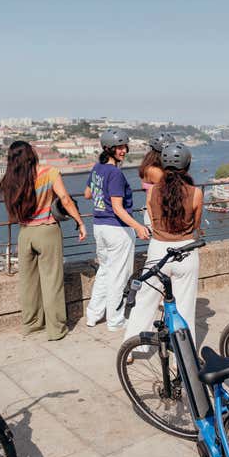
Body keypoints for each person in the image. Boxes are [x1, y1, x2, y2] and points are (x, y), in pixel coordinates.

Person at [0, 141, 86, 341]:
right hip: (47, 231)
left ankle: (31, 324)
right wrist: (80, 222)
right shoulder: (49, 172)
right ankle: (55, 329)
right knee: (52, 281)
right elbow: (65, 200)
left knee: (28, 283)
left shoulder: (12, 179)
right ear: (30, 153)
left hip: (25, 233)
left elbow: (12, 211)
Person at [124, 143, 203, 353]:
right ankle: (183, 355)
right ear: (187, 165)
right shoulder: (195, 193)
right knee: (185, 307)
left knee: (145, 300)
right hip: (185, 250)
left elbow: (152, 219)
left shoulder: (153, 193)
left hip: (158, 250)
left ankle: (132, 347)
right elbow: (195, 226)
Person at [84, 128, 150, 331]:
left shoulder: (97, 168)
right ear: (108, 148)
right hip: (117, 230)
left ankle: (93, 315)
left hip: (99, 226)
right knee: (119, 277)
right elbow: (118, 208)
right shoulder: (115, 173)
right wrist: (138, 226)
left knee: (104, 271)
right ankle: (115, 321)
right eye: (118, 147)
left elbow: (88, 194)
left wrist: (101, 195)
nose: (123, 150)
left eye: (124, 146)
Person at [138, 132, 176, 227]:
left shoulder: (148, 166)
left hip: (156, 211)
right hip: (160, 213)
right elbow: (172, 189)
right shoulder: (155, 171)